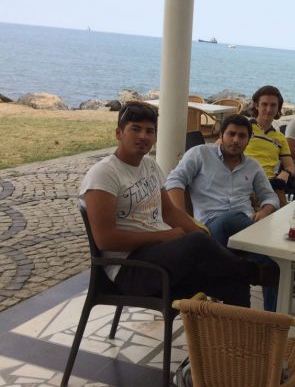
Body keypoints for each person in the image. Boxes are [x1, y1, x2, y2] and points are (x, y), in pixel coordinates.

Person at [80, 102, 274, 308]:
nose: (143, 136)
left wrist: (205, 235)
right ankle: (258, 274)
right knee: (197, 243)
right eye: (135, 129)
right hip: (130, 269)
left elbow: (170, 211)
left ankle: (238, 328)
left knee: (233, 281)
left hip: (161, 258)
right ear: (119, 133)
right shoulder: (104, 174)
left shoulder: (150, 166)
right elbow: (106, 240)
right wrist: (165, 236)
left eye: (149, 131)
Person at [165, 114, 280, 310]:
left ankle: (271, 317)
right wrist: (182, 219)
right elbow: (174, 181)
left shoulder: (252, 166)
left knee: (275, 265)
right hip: (210, 228)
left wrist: (264, 210)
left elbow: (270, 197)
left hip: (243, 229)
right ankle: (270, 248)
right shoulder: (200, 154)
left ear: (248, 140)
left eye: (242, 136)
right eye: (231, 134)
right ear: (221, 135)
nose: (236, 140)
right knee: (229, 218)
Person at [245, 85, 295, 197]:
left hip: (269, 184)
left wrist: (286, 173)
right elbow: (217, 149)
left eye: (273, 105)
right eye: (264, 104)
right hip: (244, 180)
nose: (269, 109)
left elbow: (291, 167)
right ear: (256, 105)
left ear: (278, 108)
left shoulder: (280, 137)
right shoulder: (244, 128)